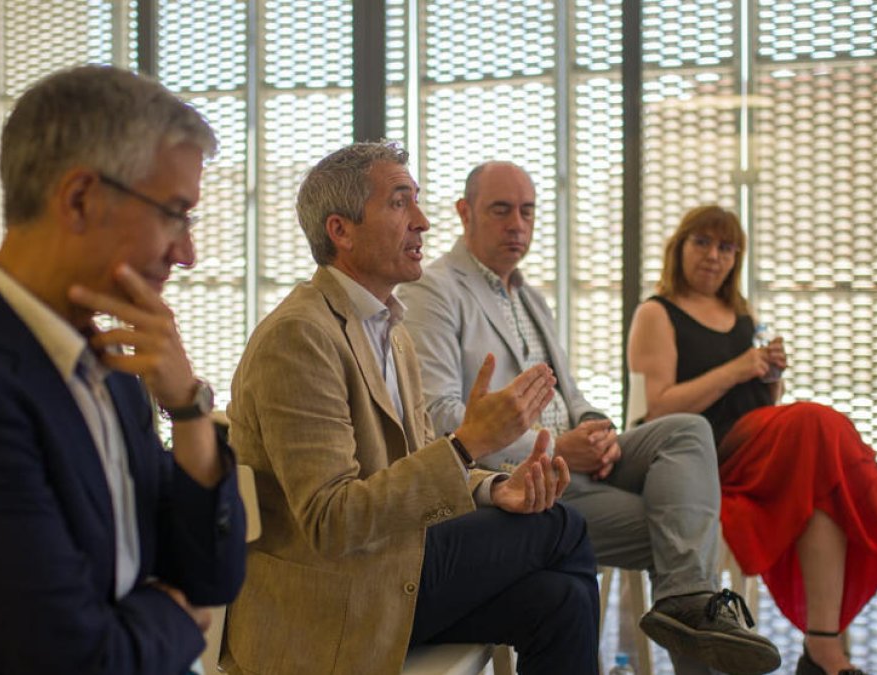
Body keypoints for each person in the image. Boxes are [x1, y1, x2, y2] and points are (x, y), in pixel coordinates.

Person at [0, 65, 247, 675]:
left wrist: (188, 405)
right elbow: (76, 661)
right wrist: (172, 619)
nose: (187, 254)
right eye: (174, 213)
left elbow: (210, 576)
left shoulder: (111, 365)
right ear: (80, 199)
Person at [223, 142, 599, 675]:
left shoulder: (391, 331)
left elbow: (422, 459)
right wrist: (470, 444)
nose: (422, 222)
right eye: (401, 203)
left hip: (392, 566)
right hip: (336, 600)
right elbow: (333, 522)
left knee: (563, 599)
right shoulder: (299, 337)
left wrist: (495, 487)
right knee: (564, 527)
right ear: (341, 230)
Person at [400, 161, 781, 675]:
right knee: (687, 533)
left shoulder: (530, 297)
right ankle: (692, 602)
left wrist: (596, 428)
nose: (518, 223)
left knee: (687, 433)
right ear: (465, 213)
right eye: (501, 210)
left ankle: (687, 598)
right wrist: (557, 447)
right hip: (521, 479)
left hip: (578, 459)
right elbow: (439, 420)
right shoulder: (435, 290)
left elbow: (570, 395)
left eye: (528, 211)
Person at [626, 204, 877, 675]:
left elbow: (763, 408)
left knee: (824, 492)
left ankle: (823, 650)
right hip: (700, 456)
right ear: (679, 248)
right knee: (818, 420)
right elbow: (659, 409)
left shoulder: (740, 312)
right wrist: (739, 368)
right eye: (703, 243)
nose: (714, 256)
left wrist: (770, 379)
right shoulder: (656, 312)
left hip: (758, 450)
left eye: (727, 247)